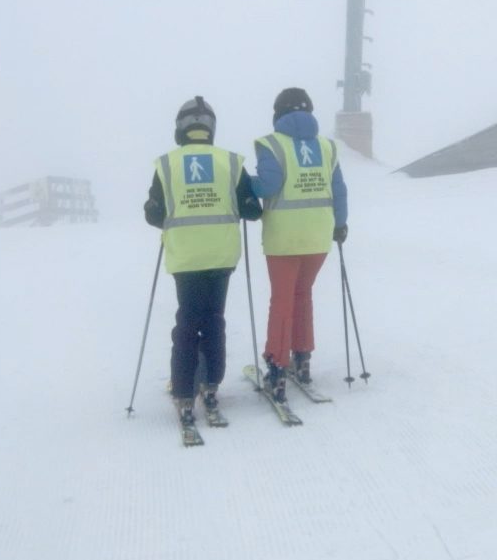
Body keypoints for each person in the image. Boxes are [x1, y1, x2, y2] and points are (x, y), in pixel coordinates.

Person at [144, 96, 262, 429]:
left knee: (186, 322)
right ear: (210, 128)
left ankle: (184, 391)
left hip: (185, 257)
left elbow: (153, 213)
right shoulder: (230, 162)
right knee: (214, 320)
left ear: (181, 128)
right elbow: (252, 209)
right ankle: (210, 387)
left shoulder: (167, 165)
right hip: (221, 256)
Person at [250, 87, 348, 400]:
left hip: (284, 238)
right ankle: (302, 362)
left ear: (278, 114)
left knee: (281, 300)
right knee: (302, 295)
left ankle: (277, 369)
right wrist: (340, 224)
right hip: (319, 237)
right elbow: (339, 190)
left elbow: (268, 184)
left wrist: (243, 184)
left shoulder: (272, 144)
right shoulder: (326, 146)